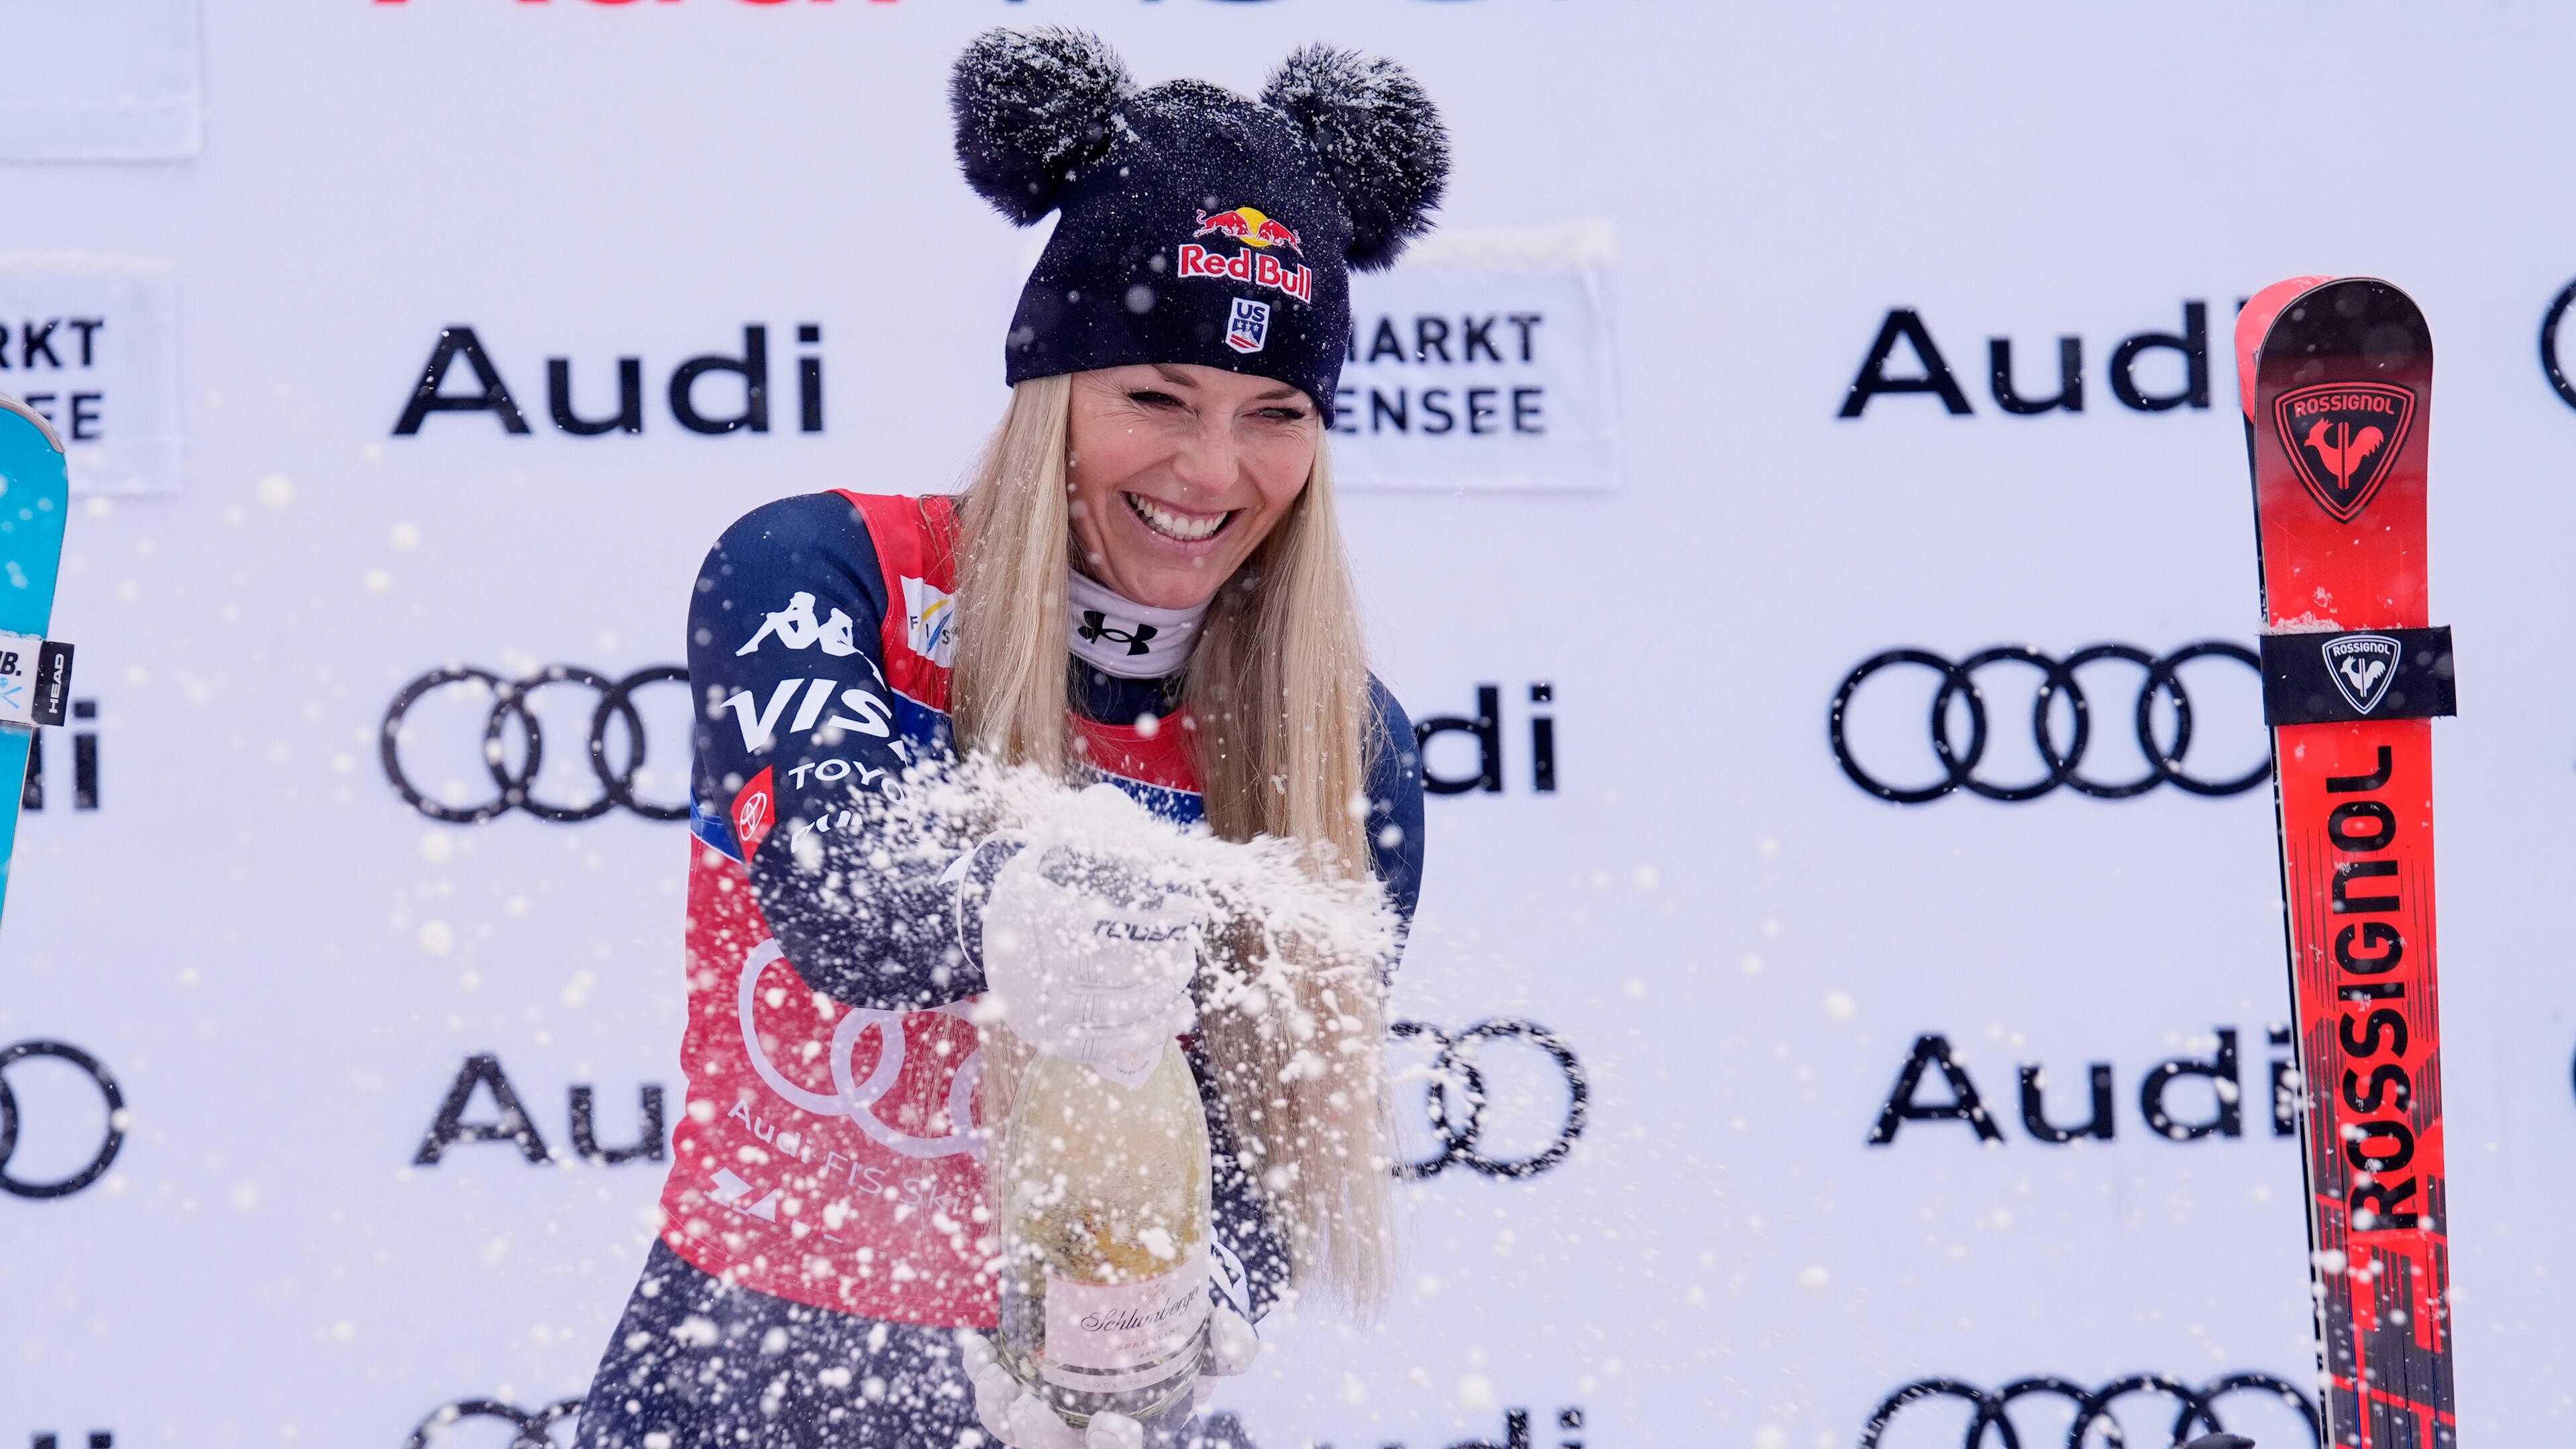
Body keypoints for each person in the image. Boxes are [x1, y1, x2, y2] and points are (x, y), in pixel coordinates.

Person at [570, 27, 1450, 1449]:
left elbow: (1271, 1155)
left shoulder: (1341, 745)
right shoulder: (825, 571)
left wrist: (1189, 1307)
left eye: (1273, 415)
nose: (1212, 469)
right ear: (1052, 401)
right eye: (1154, 397)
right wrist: (1021, 910)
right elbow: (834, 884)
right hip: (735, 1392)